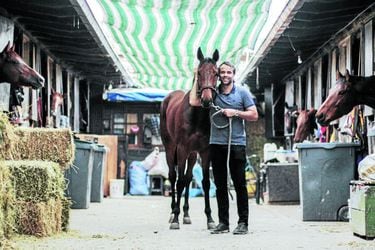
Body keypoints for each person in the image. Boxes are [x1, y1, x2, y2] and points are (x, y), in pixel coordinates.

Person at [209, 61, 258, 235]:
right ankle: (223, 223)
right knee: (220, 185)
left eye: (228, 72)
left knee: (239, 184)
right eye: (222, 72)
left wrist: (235, 112)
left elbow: (254, 114)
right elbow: (194, 100)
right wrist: (195, 77)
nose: (225, 75)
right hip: (216, 144)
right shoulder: (212, 94)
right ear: (218, 75)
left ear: (233, 74)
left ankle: (243, 223)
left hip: (236, 144)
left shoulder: (242, 93)